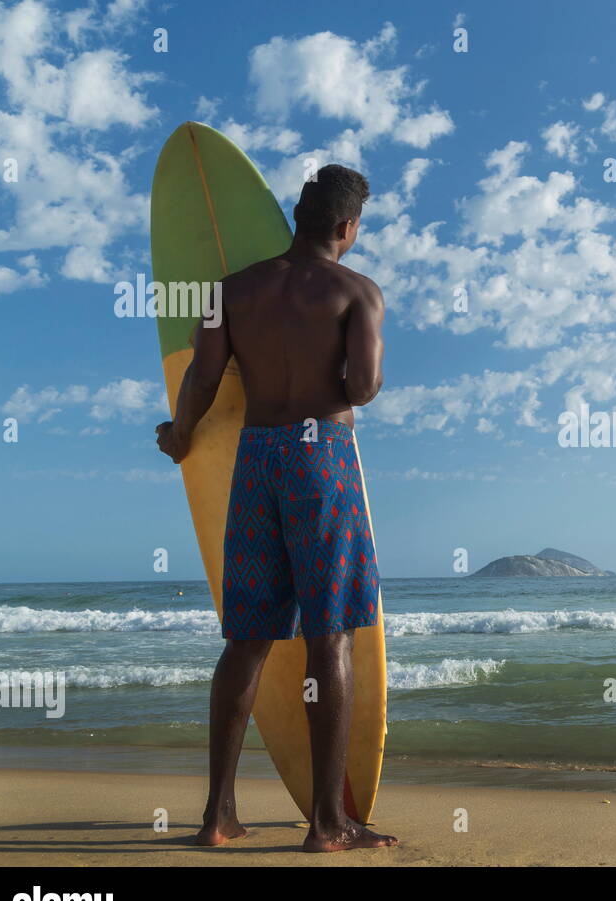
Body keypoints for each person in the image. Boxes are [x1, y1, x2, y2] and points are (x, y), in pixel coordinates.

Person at [155, 165, 397, 853]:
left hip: (257, 458)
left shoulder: (227, 293)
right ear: (348, 228)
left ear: (297, 214)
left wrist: (178, 438)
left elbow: (203, 380)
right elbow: (365, 386)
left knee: (248, 637)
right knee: (331, 635)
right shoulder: (358, 291)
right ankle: (328, 823)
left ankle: (217, 815)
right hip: (323, 459)